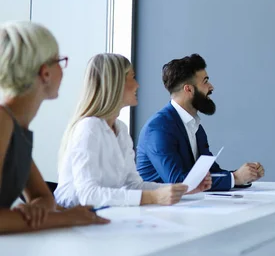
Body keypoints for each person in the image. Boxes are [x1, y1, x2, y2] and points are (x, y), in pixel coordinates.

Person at [54, 54, 211, 208]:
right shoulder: (89, 128)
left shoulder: (121, 129)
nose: (137, 85)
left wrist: (183, 190)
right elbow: (88, 194)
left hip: (104, 217)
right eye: (132, 78)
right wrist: (153, 197)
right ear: (115, 83)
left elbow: (132, 184)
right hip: (75, 222)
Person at [0, 21, 109, 233]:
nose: (63, 68)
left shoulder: (16, 126)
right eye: (59, 61)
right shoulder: (3, 122)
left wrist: (37, 210)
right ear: (45, 73)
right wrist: (69, 218)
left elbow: (43, 197)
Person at [136, 54, 265, 190]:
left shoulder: (195, 126)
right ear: (189, 89)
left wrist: (245, 175)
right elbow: (177, 182)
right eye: (205, 81)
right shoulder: (158, 129)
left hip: (184, 206)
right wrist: (235, 178)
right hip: (158, 209)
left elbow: (210, 173)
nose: (211, 87)